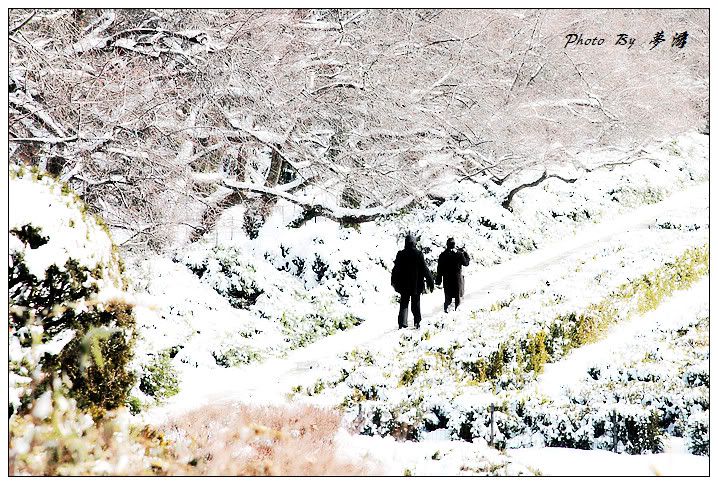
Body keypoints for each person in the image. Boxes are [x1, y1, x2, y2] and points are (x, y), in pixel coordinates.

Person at [391, 234, 434, 329]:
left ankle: (402, 323)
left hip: (404, 285)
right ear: (414, 243)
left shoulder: (400, 254)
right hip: (416, 284)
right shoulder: (418, 254)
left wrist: (393, 281)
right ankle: (417, 322)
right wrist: (430, 281)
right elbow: (424, 269)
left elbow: (396, 269)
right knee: (416, 304)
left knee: (404, 304)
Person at [435, 237, 470, 312]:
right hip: (457, 279)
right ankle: (456, 310)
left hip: (447, 279)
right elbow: (466, 263)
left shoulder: (442, 255)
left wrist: (438, 280)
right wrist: (466, 255)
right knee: (458, 297)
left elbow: (439, 269)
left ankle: (446, 310)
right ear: (454, 245)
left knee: (448, 298)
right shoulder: (459, 254)